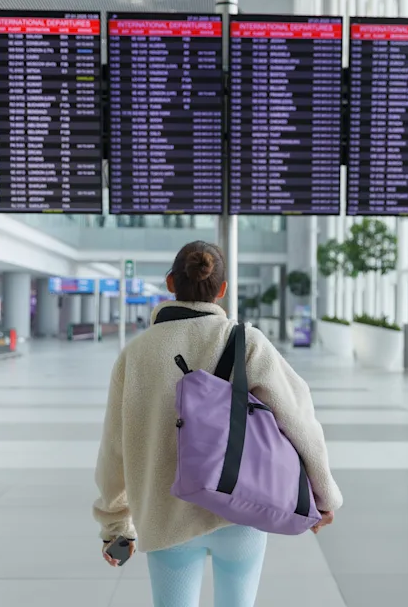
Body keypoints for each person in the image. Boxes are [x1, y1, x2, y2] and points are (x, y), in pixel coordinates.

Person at [93, 241, 342, 607]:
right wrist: (323, 496)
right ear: (222, 290)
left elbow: (114, 447)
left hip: (165, 517)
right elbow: (299, 419)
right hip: (240, 511)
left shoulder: (135, 354)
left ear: (170, 283)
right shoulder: (248, 343)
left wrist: (115, 525)